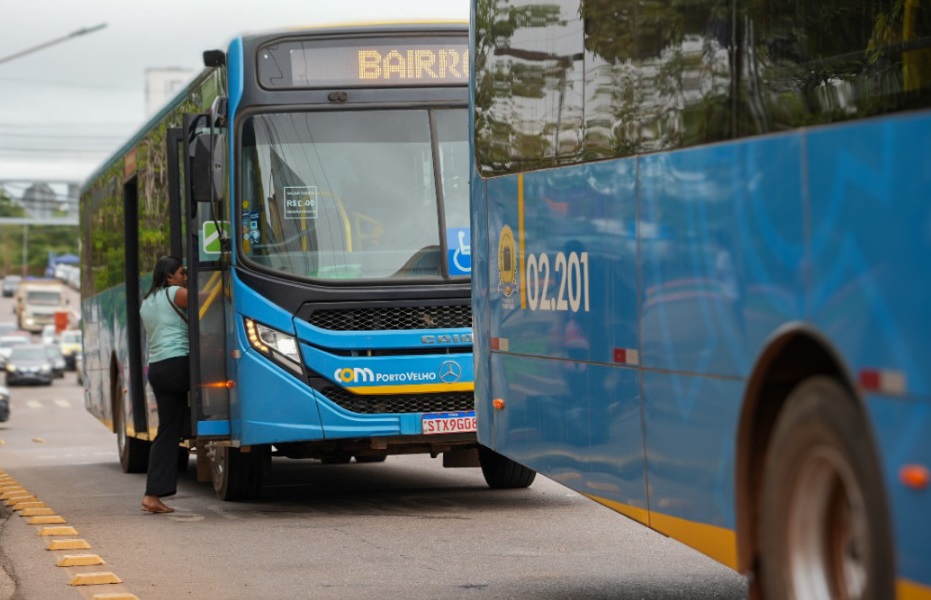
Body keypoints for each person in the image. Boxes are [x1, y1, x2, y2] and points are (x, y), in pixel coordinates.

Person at [139, 256, 189, 514]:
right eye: (182, 272)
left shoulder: (147, 301)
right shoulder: (176, 293)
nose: (185, 277)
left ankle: (152, 495)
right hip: (179, 364)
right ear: (169, 276)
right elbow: (210, 300)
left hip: (157, 368)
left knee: (167, 432)